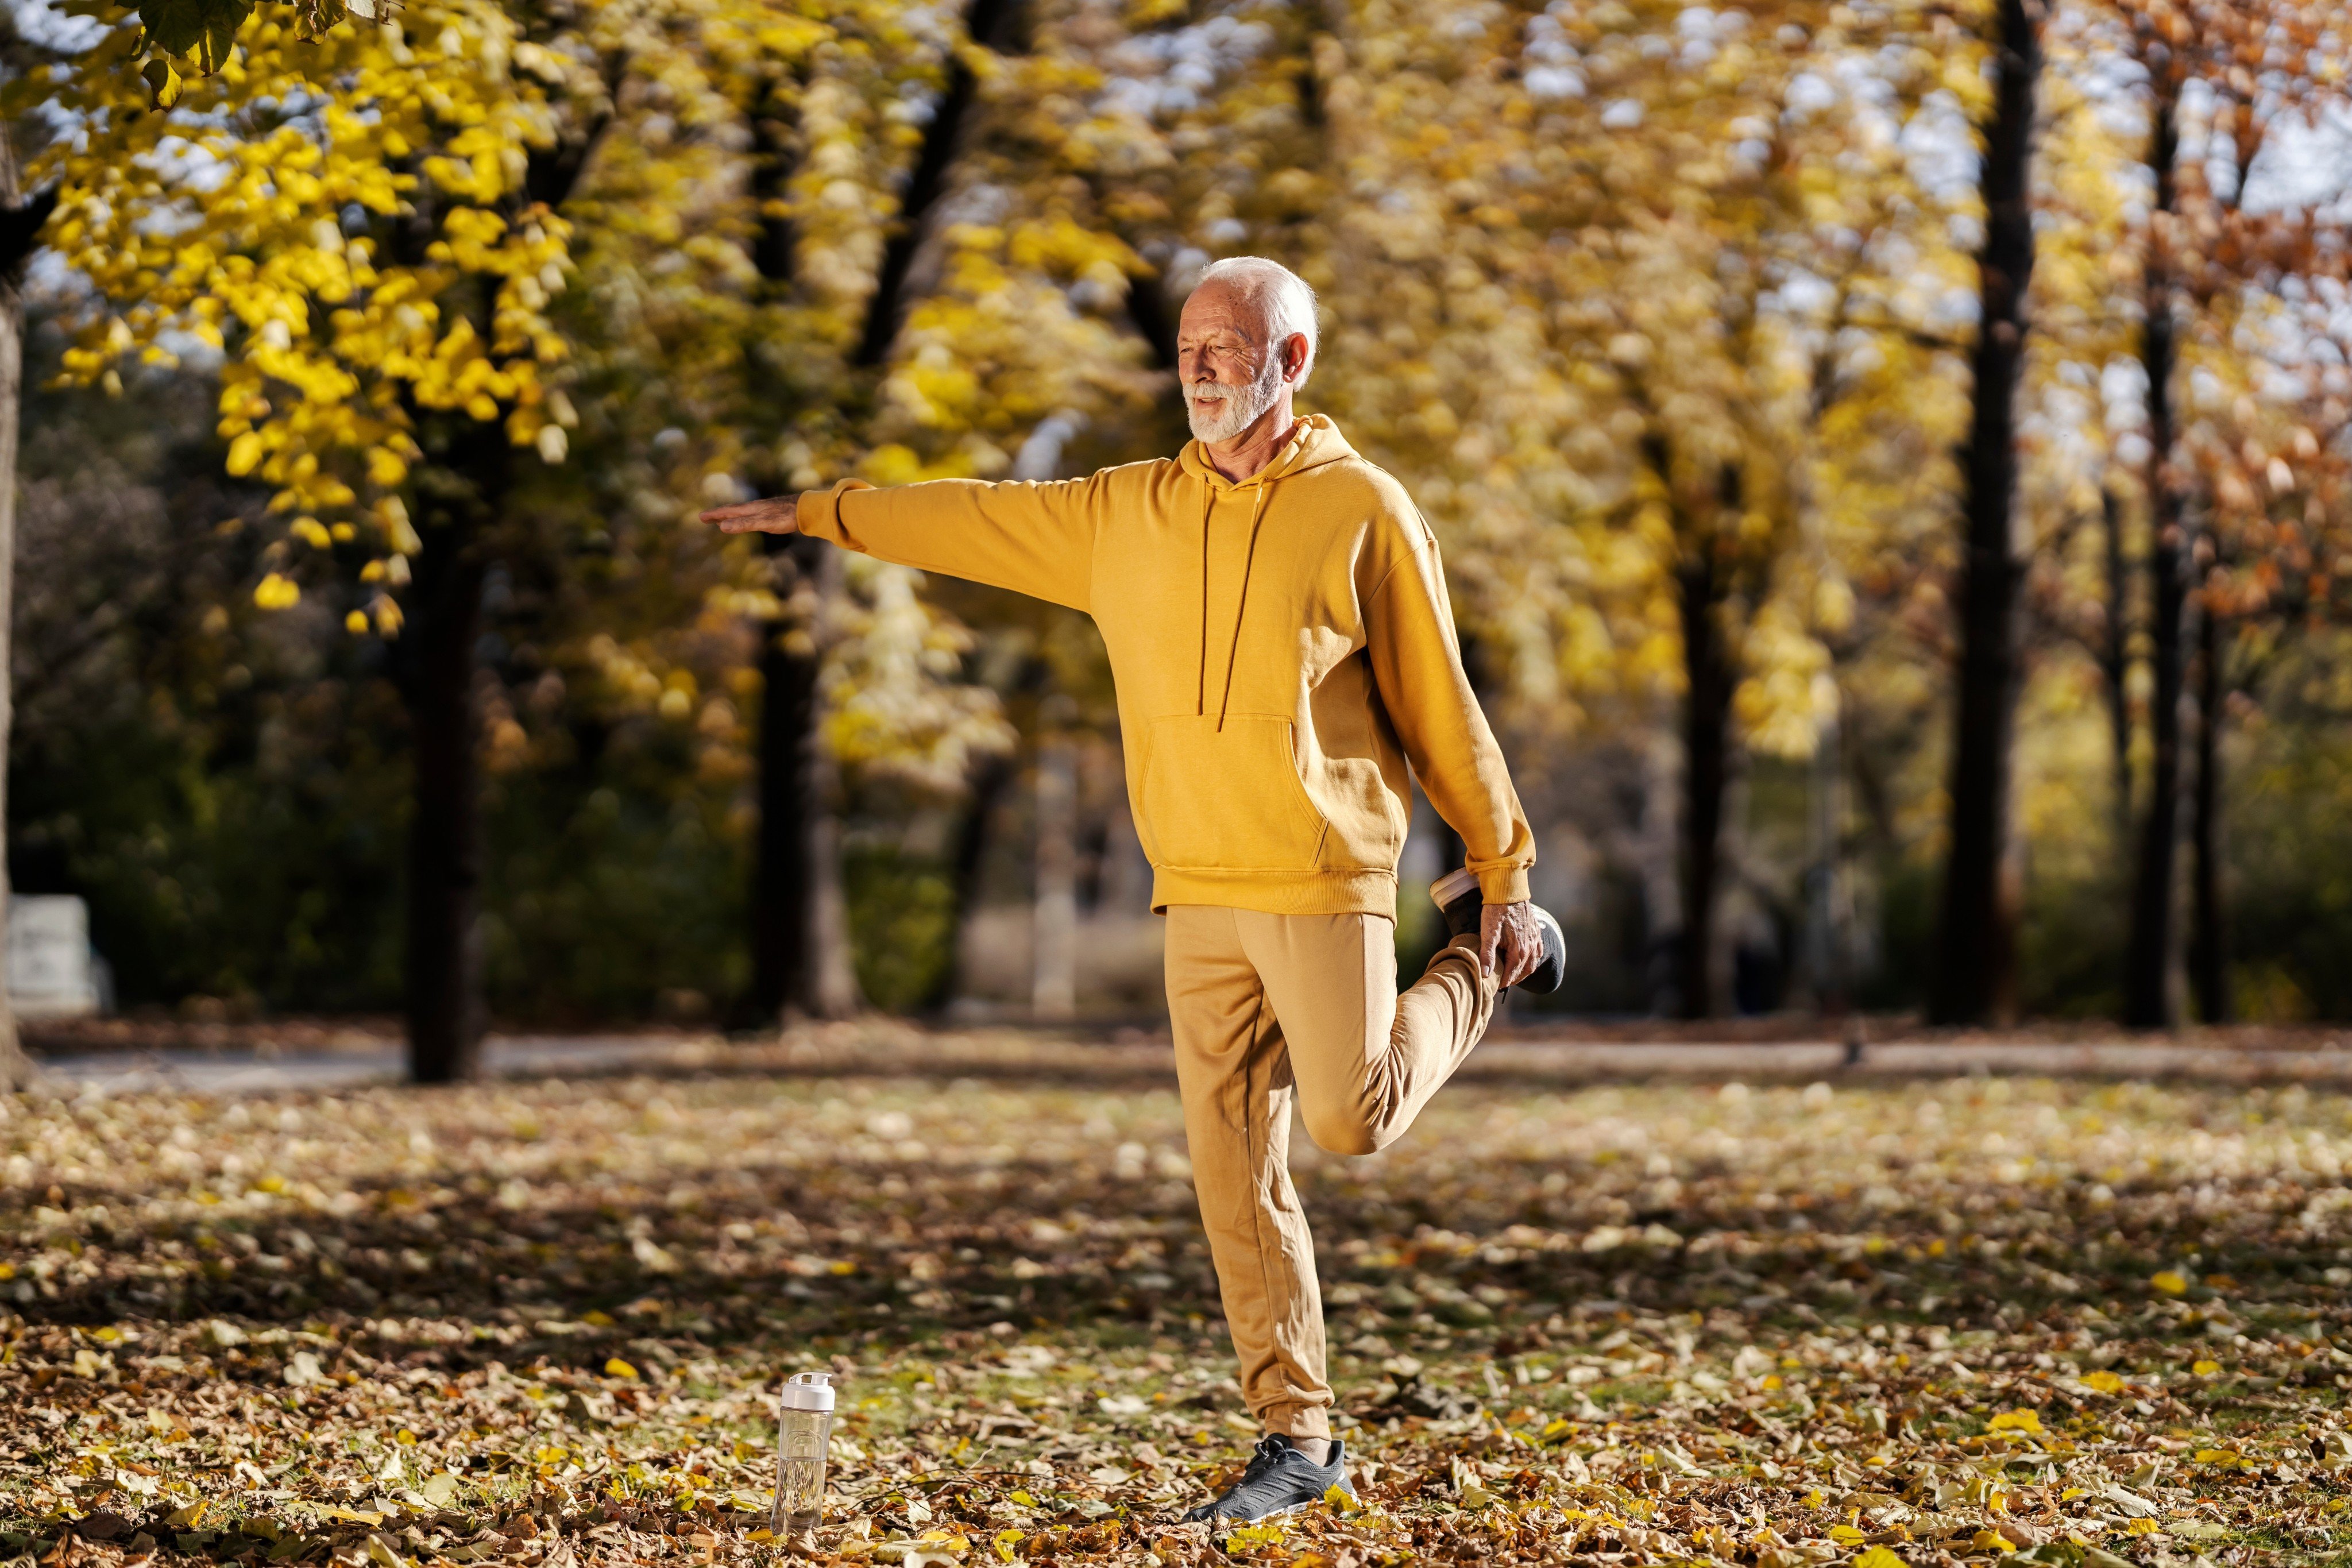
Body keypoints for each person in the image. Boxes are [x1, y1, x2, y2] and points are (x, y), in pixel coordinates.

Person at [702, 256, 1566, 1523]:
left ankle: (1481, 961)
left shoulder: (1363, 509)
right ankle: (1297, 1436)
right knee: (1234, 1172)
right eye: (1187, 347)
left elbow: (1441, 703)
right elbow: (972, 514)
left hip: (1324, 872)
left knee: (1351, 1121)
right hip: (1193, 886)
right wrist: (825, 512)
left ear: (1293, 361)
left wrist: (1501, 870)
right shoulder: (1123, 512)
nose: (1201, 365)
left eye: (1228, 345)